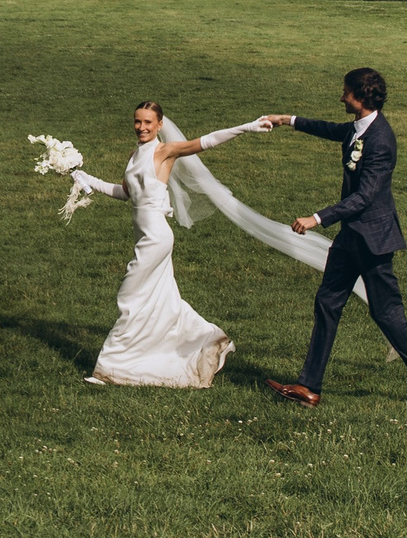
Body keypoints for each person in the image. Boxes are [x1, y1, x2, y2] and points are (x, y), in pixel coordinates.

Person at [262, 67, 407, 408]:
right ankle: (309, 387)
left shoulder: (380, 141)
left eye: (345, 92)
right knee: (327, 303)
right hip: (351, 238)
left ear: (359, 97)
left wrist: (316, 219)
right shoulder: (360, 129)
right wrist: (287, 119)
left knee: (386, 312)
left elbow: (364, 197)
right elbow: (331, 130)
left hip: (373, 239)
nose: (341, 97)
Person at [69, 104, 274, 387]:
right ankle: (206, 340)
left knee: (129, 298)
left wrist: (247, 127)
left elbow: (205, 141)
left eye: (148, 122)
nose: (142, 127)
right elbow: (126, 193)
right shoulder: (134, 154)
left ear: (160, 124)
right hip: (144, 236)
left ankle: (108, 368)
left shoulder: (163, 151)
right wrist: (86, 178)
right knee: (161, 303)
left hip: (156, 237)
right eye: (137, 122)